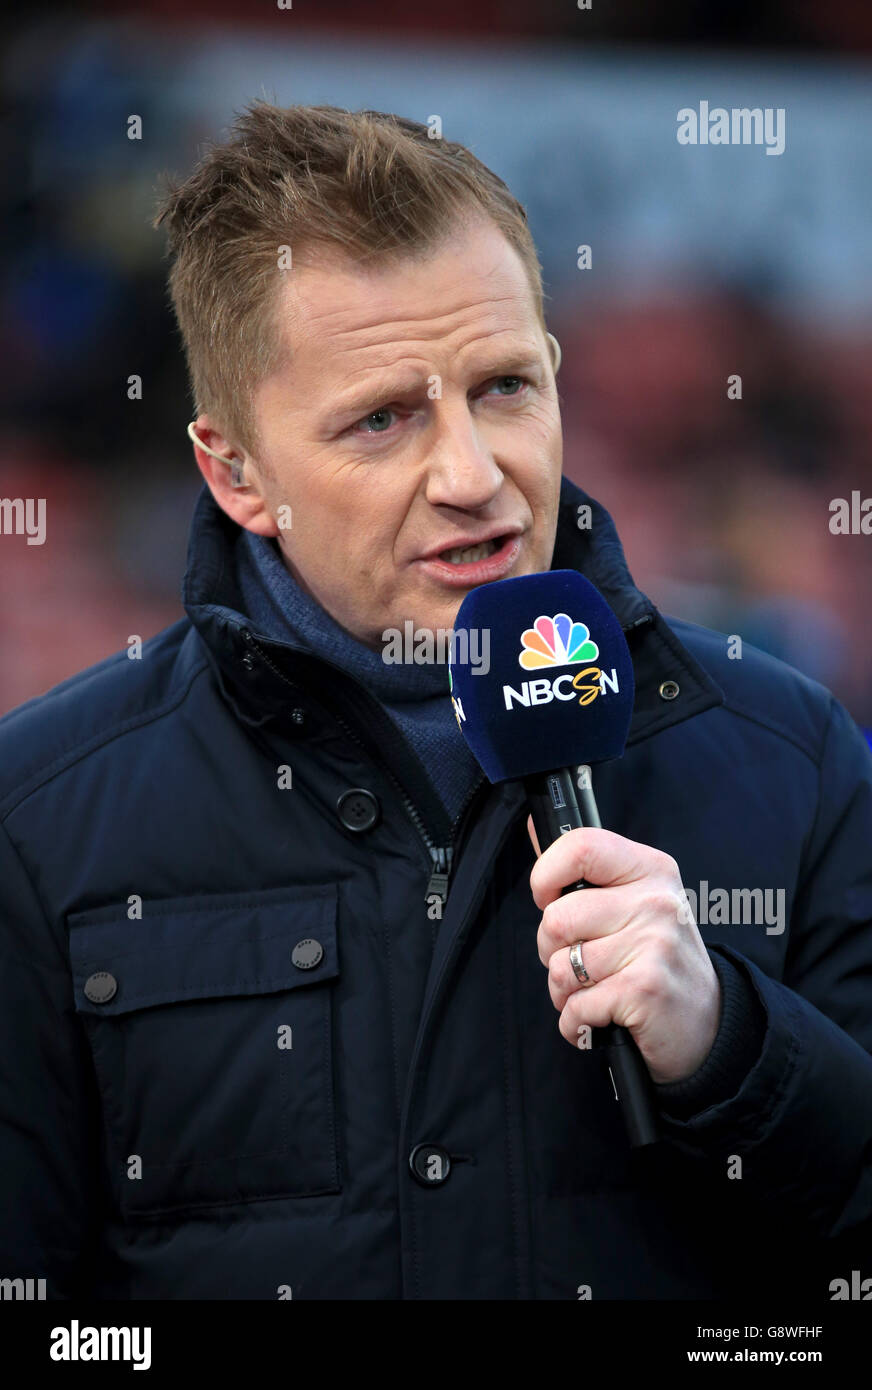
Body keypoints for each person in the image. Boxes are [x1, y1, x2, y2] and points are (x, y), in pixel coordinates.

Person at [1, 102, 870, 1301]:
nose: (473, 476)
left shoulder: (795, 756)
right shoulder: (42, 816)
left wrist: (730, 1045)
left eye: (503, 387)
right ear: (234, 471)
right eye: (382, 418)